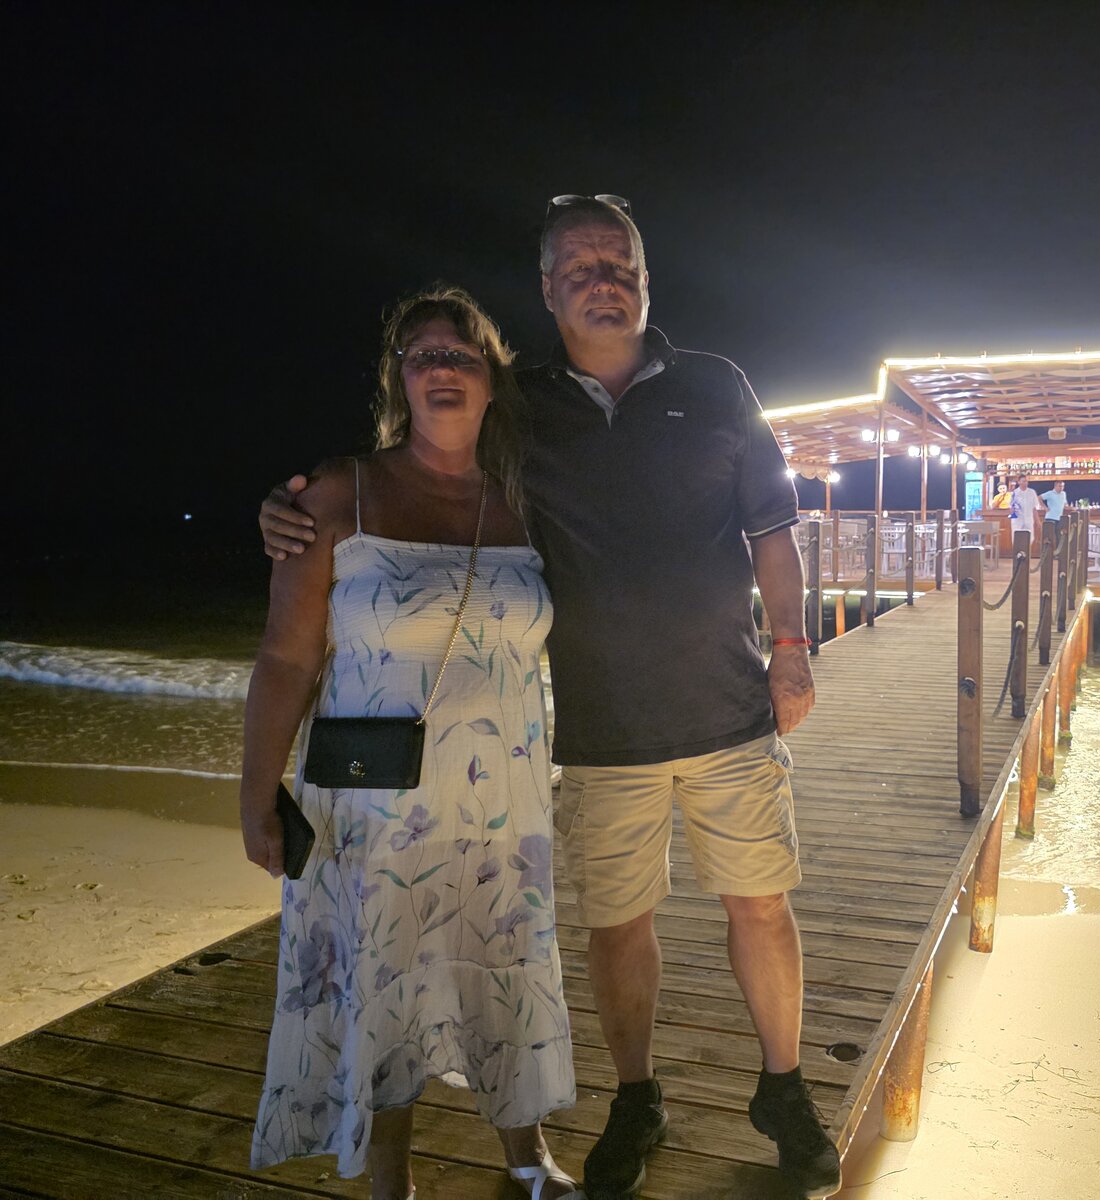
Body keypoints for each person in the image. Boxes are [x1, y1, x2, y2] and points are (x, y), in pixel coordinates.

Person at [259, 197, 838, 1200]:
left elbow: (772, 531)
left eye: (619, 262)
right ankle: (635, 1100)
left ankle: (781, 1091)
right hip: (592, 733)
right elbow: (413, 474)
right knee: (611, 925)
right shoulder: (520, 410)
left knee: (756, 903)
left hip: (718, 711)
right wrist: (287, 506)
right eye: (579, 267)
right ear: (548, 288)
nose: (602, 280)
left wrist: (791, 648)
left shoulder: (711, 385)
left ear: (646, 276)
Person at [240, 288, 576, 1199]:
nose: (441, 368)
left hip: (500, 802)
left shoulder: (527, 503)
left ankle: (526, 1155)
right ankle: (391, 1179)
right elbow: (285, 656)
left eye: (460, 355)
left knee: (503, 964)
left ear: (492, 381)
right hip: (371, 805)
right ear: (399, 380)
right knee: (382, 973)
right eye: (422, 354)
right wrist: (256, 793)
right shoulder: (339, 492)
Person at [1008, 474, 1043, 550]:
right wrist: (1012, 510)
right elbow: (1011, 507)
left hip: (1028, 519)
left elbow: (1034, 508)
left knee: (1030, 538)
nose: (1025, 483)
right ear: (1019, 482)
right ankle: (1017, 554)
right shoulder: (1015, 493)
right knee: (1017, 538)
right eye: (1023, 481)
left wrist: (1038, 521)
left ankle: (1026, 553)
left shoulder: (1032, 492)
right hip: (1018, 520)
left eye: (1026, 481)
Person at [1040, 480, 1068, 551]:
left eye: (1062, 486)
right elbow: (1039, 498)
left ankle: (1058, 553)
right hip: (1050, 518)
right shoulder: (1050, 493)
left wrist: (1072, 508)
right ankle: (1047, 553)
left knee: (1059, 536)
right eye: (1060, 486)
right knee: (1049, 537)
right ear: (1055, 486)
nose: (1061, 488)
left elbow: (1065, 505)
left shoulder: (1063, 494)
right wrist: (1045, 507)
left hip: (1059, 518)